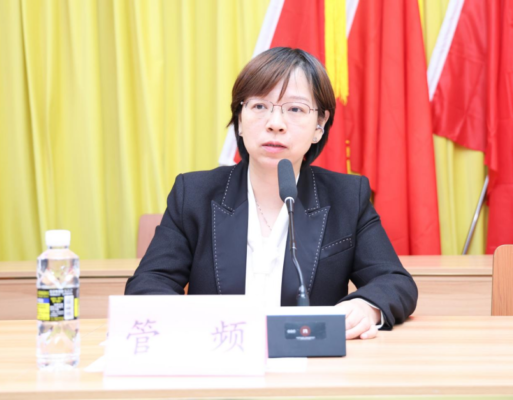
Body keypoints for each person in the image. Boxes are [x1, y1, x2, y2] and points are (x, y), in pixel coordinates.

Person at [125, 47, 418, 340]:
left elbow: (394, 281)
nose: (275, 123)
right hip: (222, 354)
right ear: (240, 119)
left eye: (295, 109)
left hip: (311, 360)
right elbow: (149, 283)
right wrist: (189, 326)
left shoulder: (346, 197)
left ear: (319, 125)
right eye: (259, 106)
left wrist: (365, 307)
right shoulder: (194, 194)